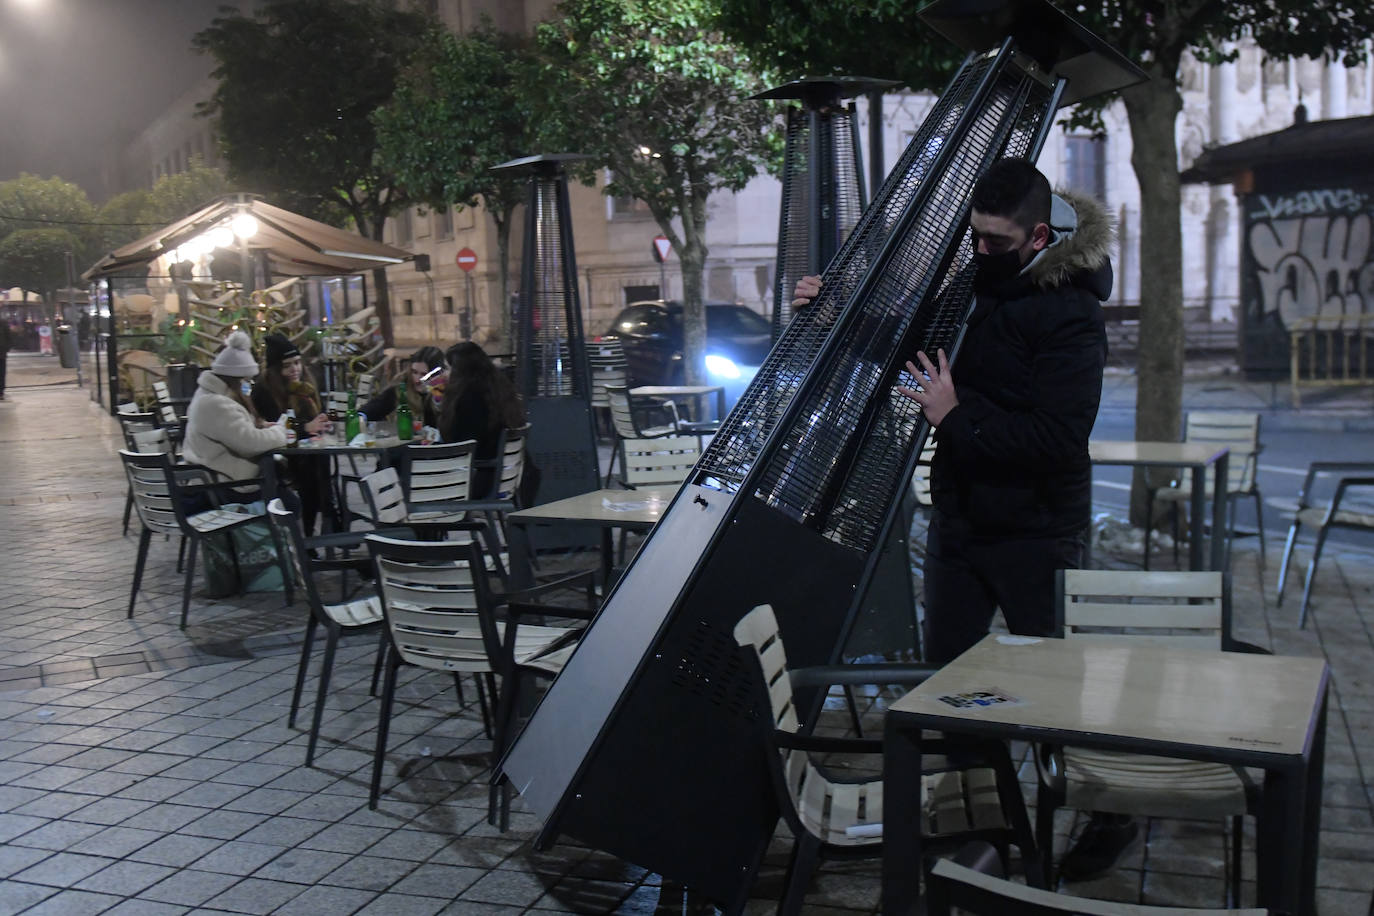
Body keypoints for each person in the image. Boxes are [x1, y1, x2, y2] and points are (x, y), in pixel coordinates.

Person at [794, 158, 1120, 877]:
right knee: (950, 682)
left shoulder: (1070, 310)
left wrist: (957, 417)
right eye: (972, 237)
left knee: (1065, 683)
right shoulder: (977, 281)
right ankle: (983, 819)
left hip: (1038, 531)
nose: (979, 251)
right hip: (961, 522)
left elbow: (1058, 440)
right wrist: (835, 308)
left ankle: (1109, 806)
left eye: (996, 241)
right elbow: (908, 338)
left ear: (1039, 236)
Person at [182, 330, 289, 497]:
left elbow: (234, 431)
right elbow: (250, 443)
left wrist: (258, 426)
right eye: (248, 381)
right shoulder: (215, 404)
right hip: (225, 487)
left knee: (284, 492)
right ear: (238, 380)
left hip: (213, 480)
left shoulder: (207, 395)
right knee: (288, 501)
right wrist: (282, 430)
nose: (249, 386)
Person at [251, 333, 333, 534]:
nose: (295, 369)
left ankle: (323, 524)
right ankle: (315, 529)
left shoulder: (305, 389)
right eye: (287, 365)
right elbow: (276, 424)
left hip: (303, 449)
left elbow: (311, 420)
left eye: (297, 363)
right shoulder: (264, 391)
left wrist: (321, 423)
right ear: (276, 370)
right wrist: (306, 427)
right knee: (311, 469)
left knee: (319, 462)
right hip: (276, 453)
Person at [438, 341, 525, 498]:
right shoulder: (498, 389)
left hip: (478, 479)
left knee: (407, 476)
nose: (445, 374)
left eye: (447, 368)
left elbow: (463, 444)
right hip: (502, 476)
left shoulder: (469, 399)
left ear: (459, 371)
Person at [359, 345, 446, 430]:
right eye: (414, 372)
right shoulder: (401, 388)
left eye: (424, 374)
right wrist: (360, 417)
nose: (417, 380)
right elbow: (373, 408)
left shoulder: (445, 391)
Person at [0, 319, 11, 400]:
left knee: (1, 373)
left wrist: (6, 348)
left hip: (1, 353)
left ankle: (1, 392)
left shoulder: (3, 323)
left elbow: (9, 337)